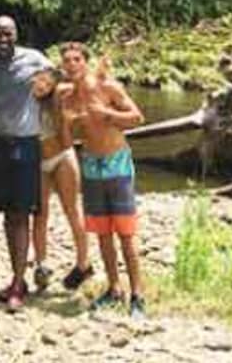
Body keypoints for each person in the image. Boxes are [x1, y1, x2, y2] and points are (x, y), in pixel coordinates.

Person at [0, 16, 56, 312]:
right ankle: (15, 278)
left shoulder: (33, 58)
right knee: (7, 216)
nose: (3, 39)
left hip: (24, 145)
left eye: (8, 34)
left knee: (20, 215)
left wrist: (46, 86)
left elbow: (56, 74)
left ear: (16, 34)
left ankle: (19, 284)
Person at [60, 43, 148, 318]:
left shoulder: (107, 87)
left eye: (77, 60)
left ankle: (137, 296)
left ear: (85, 62)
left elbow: (137, 118)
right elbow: (63, 139)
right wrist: (67, 122)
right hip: (90, 166)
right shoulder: (68, 98)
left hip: (117, 163)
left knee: (125, 232)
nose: (72, 64)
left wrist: (108, 115)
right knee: (102, 233)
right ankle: (113, 289)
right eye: (67, 61)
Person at [30, 71, 93, 292]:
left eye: (48, 83)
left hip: (62, 156)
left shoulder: (58, 94)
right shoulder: (22, 98)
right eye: (40, 80)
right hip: (38, 162)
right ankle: (41, 264)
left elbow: (81, 84)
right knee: (39, 213)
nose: (43, 86)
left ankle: (83, 263)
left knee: (72, 210)